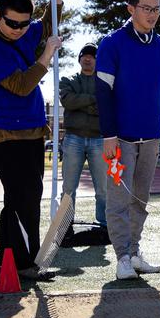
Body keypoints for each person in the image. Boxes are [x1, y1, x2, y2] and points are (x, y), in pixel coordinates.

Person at [0, 0, 63, 280]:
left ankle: (9, 261)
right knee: (22, 198)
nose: (19, 30)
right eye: (12, 23)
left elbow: (48, 24)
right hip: (7, 137)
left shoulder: (25, 31)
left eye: (24, 24)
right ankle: (23, 264)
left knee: (22, 198)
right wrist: (47, 56)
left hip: (32, 133)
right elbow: (22, 85)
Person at [96, 0, 160, 280]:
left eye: (157, 8)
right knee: (119, 199)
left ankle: (133, 252)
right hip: (118, 139)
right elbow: (103, 92)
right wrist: (108, 135)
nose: (153, 14)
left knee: (140, 199)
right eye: (146, 8)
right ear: (131, 9)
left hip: (150, 139)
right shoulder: (111, 43)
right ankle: (121, 258)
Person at [59, 42, 108, 227]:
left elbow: (107, 106)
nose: (88, 58)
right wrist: (94, 102)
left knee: (102, 188)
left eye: (92, 56)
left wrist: (81, 103)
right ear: (79, 59)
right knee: (69, 187)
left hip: (99, 139)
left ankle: (104, 224)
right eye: (84, 55)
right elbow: (68, 101)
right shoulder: (67, 79)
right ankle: (65, 225)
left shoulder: (104, 82)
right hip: (73, 138)